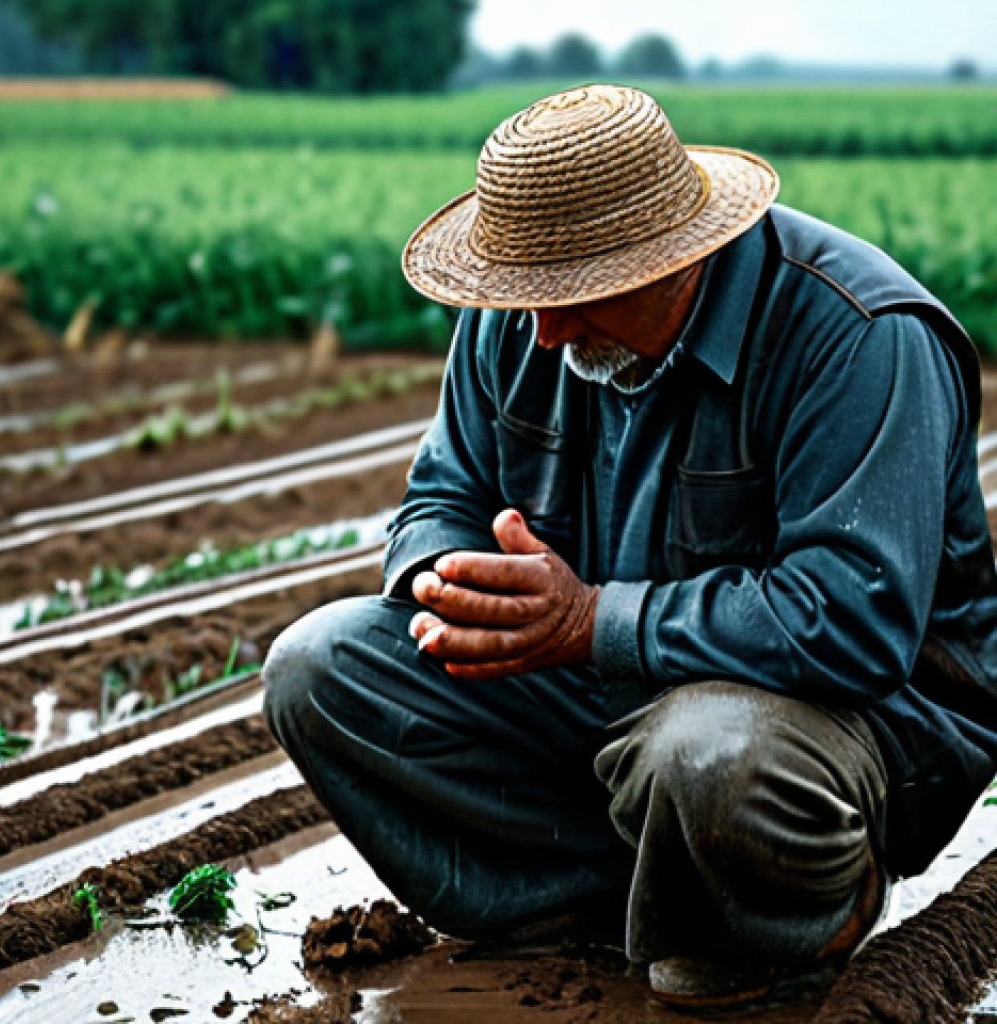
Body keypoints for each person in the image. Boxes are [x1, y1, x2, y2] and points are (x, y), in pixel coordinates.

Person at [264, 85, 997, 1008]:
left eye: (574, 295)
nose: (544, 331)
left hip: (840, 722)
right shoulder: (525, 318)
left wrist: (588, 620)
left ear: (678, 256)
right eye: (528, 295)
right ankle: (615, 904)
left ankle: (793, 918)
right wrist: (455, 585)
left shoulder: (858, 336)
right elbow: (442, 495)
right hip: (605, 692)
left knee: (704, 756)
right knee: (318, 667)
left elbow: (852, 620)